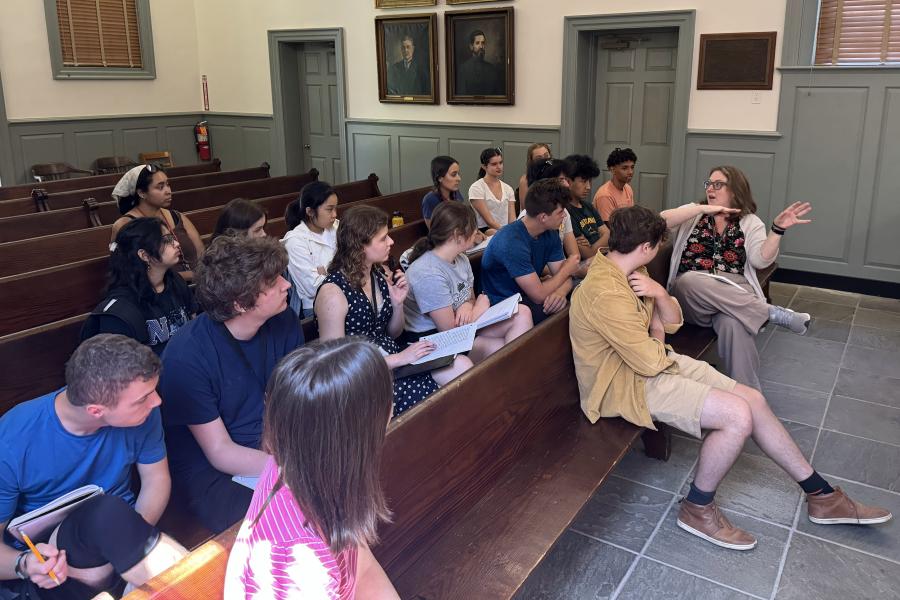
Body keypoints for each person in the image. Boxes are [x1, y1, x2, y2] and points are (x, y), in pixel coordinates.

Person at [570, 205, 891, 551]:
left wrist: (661, 295)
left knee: (751, 399)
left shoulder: (634, 268)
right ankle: (697, 507)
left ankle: (821, 494)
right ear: (647, 246)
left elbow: (672, 322)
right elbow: (650, 358)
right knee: (736, 416)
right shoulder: (606, 293)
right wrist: (658, 330)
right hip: (621, 384)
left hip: (651, 362)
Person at [0, 335, 187, 599]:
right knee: (105, 511)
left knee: (109, 516)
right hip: (56, 571)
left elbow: (156, 480)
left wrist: (121, 545)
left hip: (124, 549)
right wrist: (25, 564)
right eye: (143, 398)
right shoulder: (12, 439)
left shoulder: (143, 412)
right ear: (96, 411)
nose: (156, 401)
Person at [224, 339, 399, 599]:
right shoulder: (299, 558)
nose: (393, 409)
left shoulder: (305, 462)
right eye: (389, 403)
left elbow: (363, 570)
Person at [159, 235, 303, 534]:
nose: (285, 285)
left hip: (274, 442)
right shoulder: (187, 355)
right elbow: (220, 451)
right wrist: (291, 471)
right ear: (240, 304)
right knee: (290, 522)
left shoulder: (283, 319)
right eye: (273, 282)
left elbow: (289, 398)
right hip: (216, 468)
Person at [662, 166, 813, 390]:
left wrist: (777, 230)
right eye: (709, 184)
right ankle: (769, 313)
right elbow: (660, 222)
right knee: (688, 281)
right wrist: (701, 208)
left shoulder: (750, 222)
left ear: (734, 189)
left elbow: (761, 261)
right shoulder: (694, 214)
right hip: (692, 297)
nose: (711, 189)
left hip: (732, 293)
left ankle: (750, 399)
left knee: (734, 323)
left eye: (718, 184)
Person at [315, 205, 473, 416]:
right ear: (360, 246)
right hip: (364, 379)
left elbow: (392, 333)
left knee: (462, 366)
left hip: (392, 360)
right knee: (446, 391)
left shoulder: (376, 275)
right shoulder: (333, 293)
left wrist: (397, 304)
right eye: (383, 238)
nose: (391, 242)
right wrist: (398, 359)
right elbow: (335, 364)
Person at [403, 202, 533, 362]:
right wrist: (480, 305)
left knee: (523, 312)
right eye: (474, 230)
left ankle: (519, 378)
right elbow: (450, 330)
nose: (477, 234)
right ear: (457, 235)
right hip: (434, 342)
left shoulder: (461, 259)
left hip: (466, 325)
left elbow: (469, 297)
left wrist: (469, 305)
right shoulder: (428, 273)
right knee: (504, 350)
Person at [81, 217, 195, 356]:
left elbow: (193, 330)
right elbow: (122, 368)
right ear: (144, 255)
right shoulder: (120, 312)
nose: (177, 243)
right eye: (166, 240)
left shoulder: (174, 281)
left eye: (172, 237)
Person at [481, 179, 581, 325]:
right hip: (504, 305)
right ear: (543, 217)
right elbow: (539, 295)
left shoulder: (549, 231)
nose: (564, 216)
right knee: (568, 307)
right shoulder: (511, 241)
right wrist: (566, 271)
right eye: (560, 212)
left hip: (527, 296)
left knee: (580, 291)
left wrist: (561, 292)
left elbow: (563, 275)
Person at [212, 198, 303, 316]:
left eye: (263, 227)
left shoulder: (264, 254)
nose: (264, 234)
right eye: (257, 230)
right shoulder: (220, 266)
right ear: (237, 234)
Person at [111, 165, 203, 280]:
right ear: (141, 193)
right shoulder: (125, 225)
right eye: (160, 187)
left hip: (197, 285)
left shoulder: (176, 216)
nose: (168, 191)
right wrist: (189, 276)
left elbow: (201, 254)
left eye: (168, 185)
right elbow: (131, 272)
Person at [522, 158, 589, 279]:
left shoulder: (564, 213)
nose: (568, 185)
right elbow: (532, 266)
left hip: (561, 274)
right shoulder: (529, 218)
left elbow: (574, 256)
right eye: (562, 180)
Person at [283, 181, 340, 318]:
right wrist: (342, 272)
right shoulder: (295, 241)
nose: (334, 214)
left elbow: (356, 260)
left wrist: (325, 273)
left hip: (345, 296)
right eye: (329, 209)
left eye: (335, 208)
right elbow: (313, 287)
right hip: (315, 307)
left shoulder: (336, 227)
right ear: (310, 211)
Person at [563, 154, 609, 260]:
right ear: (568, 182)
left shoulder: (588, 206)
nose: (588, 187)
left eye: (589, 181)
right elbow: (587, 254)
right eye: (583, 181)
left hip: (601, 260)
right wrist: (604, 242)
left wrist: (595, 247)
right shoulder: (565, 212)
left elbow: (608, 234)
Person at [468, 147, 516, 235]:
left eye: (500, 163)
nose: (499, 167)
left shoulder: (508, 189)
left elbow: (512, 220)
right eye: (494, 164)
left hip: (505, 231)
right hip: (485, 231)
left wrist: (512, 232)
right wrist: (507, 233)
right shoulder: (477, 188)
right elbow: (489, 221)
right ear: (484, 166)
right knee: (493, 232)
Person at [594, 147, 637, 223]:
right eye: (625, 168)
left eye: (632, 167)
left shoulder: (628, 188)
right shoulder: (605, 195)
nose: (630, 172)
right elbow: (609, 228)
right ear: (612, 170)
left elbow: (631, 217)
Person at [421, 155, 466, 226]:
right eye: (453, 175)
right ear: (440, 178)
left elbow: (464, 219)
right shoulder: (430, 200)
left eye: (458, 174)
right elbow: (434, 231)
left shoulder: (455, 193)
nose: (459, 178)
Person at [457, 29, 502, 96]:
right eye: (477, 43)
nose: (481, 46)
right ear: (471, 46)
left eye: (483, 43)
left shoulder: (492, 69)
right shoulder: (463, 69)